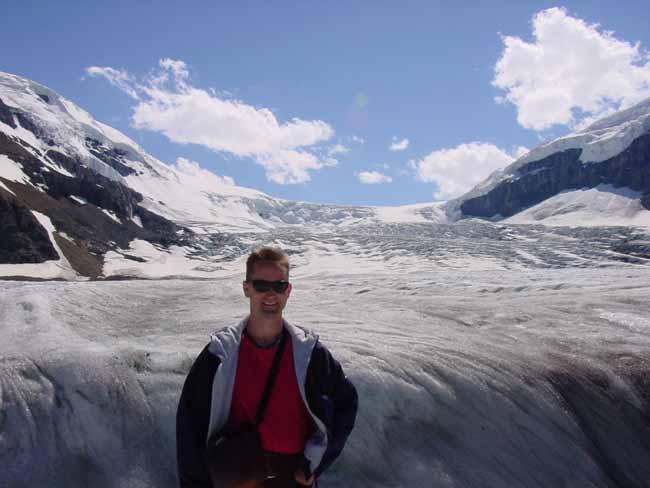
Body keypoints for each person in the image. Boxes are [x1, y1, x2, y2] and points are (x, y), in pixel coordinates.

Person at [177, 247, 358, 487]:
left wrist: (316, 462)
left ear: (288, 291)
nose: (270, 294)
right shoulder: (220, 354)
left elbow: (346, 402)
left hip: (293, 477)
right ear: (247, 288)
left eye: (279, 286)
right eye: (261, 285)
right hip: (239, 476)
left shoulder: (310, 353)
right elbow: (190, 426)